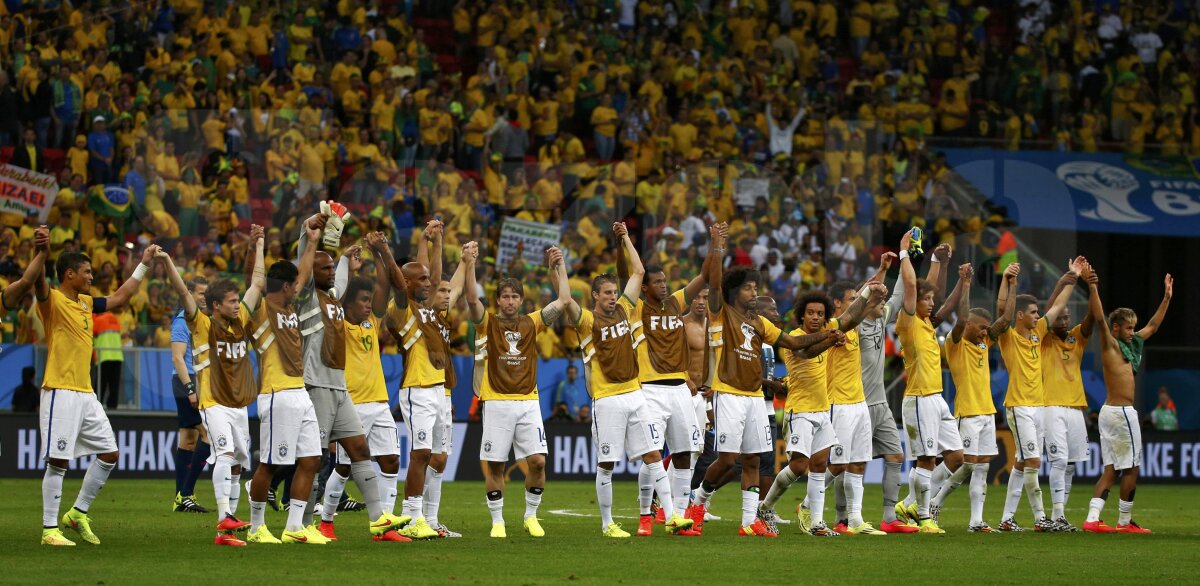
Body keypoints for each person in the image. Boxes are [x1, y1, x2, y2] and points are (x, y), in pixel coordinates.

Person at [688, 225, 835, 537]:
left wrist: (827, 334)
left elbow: (794, 345)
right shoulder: (721, 312)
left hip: (754, 397)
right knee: (728, 459)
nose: (754, 292)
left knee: (753, 459)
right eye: (748, 288)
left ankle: (748, 522)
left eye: (755, 288)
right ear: (734, 292)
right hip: (728, 393)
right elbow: (714, 283)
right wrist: (716, 247)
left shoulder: (760, 323)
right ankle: (698, 502)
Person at [27, 226, 160, 546]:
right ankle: (49, 530)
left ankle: (76, 513)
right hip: (59, 390)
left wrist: (143, 264)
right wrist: (41, 251)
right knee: (59, 461)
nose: (91, 276)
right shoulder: (52, 301)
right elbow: (37, 281)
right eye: (86, 272)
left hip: (86, 393)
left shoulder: (87, 304)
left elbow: (121, 296)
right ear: (69, 274)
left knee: (110, 453)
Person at [577, 222, 693, 538]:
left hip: (635, 393)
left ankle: (670, 516)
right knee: (607, 463)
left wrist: (626, 237)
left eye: (615, 291)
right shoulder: (587, 321)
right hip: (605, 398)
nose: (613, 297)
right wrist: (559, 268)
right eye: (607, 293)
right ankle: (607, 523)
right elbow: (566, 301)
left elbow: (638, 272)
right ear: (595, 296)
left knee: (653, 454)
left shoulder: (628, 310)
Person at [295, 214, 406, 542]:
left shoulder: (331, 300)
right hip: (317, 385)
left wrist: (344, 258)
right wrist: (309, 237)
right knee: (313, 460)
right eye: (324, 269)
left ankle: (379, 521)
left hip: (339, 388)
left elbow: (342, 281)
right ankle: (302, 525)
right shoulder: (307, 298)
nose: (331, 273)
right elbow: (307, 269)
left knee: (359, 450)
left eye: (332, 269)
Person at [159, 227, 264, 546]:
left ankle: (231, 520)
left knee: (239, 461)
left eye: (237, 300)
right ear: (216, 305)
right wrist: (166, 262)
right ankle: (223, 522)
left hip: (238, 403)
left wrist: (259, 244)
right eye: (232, 301)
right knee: (225, 453)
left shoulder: (241, 320)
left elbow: (258, 282)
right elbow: (183, 293)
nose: (237, 305)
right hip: (213, 401)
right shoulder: (202, 325)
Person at [466, 243, 574, 538]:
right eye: (505, 297)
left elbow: (564, 300)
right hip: (497, 402)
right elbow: (471, 299)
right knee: (496, 466)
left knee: (538, 461)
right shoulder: (487, 324)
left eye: (515, 296)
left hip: (528, 402)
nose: (510, 301)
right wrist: (470, 262)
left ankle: (531, 516)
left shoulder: (533, 322)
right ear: (498, 301)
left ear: (522, 300)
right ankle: (497, 521)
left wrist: (558, 265)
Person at [626, 218, 717, 537]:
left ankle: (678, 517)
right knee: (652, 456)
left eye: (666, 280)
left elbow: (705, 276)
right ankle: (645, 516)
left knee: (683, 455)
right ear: (646, 287)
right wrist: (626, 238)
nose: (664, 285)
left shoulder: (675, 304)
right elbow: (635, 273)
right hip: (650, 391)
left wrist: (714, 244)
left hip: (680, 390)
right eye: (658, 282)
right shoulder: (637, 309)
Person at [245, 217, 328, 545]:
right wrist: (257, 245)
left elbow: (303, 271)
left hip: (299, 392)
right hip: (277, 393)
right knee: (269, 463)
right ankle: (256, 527)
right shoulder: (262, 310)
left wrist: (311, 241)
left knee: (311, 459)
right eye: (294, 284)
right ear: (284, 286)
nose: (300, 286)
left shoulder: (290, 307)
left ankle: (294, 527)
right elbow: (254, 278)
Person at [326, 234, 412, 542]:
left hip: (379, 402)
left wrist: (378, 253)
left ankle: (384, 526)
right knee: (346, 468)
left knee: (390, 461)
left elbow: (383, 287)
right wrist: (346, 266)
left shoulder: (369, 324)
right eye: (362, 301)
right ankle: (325, 521)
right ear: (349, 303)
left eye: (368, 301)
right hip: (353, 404)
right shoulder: (339, 322)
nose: (368, 305)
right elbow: (336, 296)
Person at [994, 258, 1080, 532]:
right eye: (1032, 312)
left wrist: (1073, 278)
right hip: (1019, 406)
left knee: (1022, 462)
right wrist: (1007, 281)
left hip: (1038, 406)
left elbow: (1056, 308)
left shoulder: (1037, 333)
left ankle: (1007, 518)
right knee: (1033, 461)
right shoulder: (1008, 335)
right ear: (1020, 315)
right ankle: (1041, 518)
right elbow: (1001, 310)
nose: (1036, 316)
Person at [1083, 271, 1173, 534]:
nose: (1134, 331)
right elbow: (1099, 318)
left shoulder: (1133, 345)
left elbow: (1154, 326)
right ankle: (1124, 523)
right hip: (1121, 413)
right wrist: (1092, 287)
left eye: (1135, 326)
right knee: (1132, 468)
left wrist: (1166, 297)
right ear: (1116, 328)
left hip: (1110, 413)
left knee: (1111, 469)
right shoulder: (1111, 344)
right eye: (1129, 327)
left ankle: (1092, 518)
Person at [757, 290, 846, 537]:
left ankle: (816, 522)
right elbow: (807, 353)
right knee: (798, 465)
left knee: (819, 465)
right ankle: (765, 507)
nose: (815, 317)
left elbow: (850, 318)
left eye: (820, 313)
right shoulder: (794, 338)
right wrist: (831, 339)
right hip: (800, 410)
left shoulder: (823, 336)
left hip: (821, 410)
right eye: (810, 313)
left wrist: (871, 290)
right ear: (801, 316)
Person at [385, 221, 454, 540]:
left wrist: (435, 241)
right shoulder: (401, 308)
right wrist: (386, 252)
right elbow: (400, 284)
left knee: (438, 458)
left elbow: (436, 274)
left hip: (439, 390)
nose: (430, 283)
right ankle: (412, 516)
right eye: (422, 279)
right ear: (408, 283)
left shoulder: (427, 309)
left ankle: (430, 518)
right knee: (421, 453)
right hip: (417, 391)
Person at [894, 228, 963, 534]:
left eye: (933, 300)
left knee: (957, 456)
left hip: (935, 397)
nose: (932, 303)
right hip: (919, 398)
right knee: (926, 459)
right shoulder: (908, 321)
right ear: (914, 302)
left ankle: (909, 501)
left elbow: (930, 287)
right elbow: (912, 284)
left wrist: (938, 261)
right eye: (927, 300)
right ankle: (923, 517)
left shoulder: (925, 322)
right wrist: (904, 250)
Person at [812, 278, 888, 535]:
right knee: (837, 465)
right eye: (850, 299)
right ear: (837, 303)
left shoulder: (854, 327)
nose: (856, 303)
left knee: (858, 463)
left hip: (859, 403)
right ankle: (809, 508)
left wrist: (882, 273)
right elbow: (862, 305)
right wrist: (871, 289)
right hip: (839, 403)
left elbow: (867, 302)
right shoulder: (832, 327)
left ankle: (855, 519)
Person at [936, 263, 1005, 532]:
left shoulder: (983, 344)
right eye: (982, 327)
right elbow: (962, 319)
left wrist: (1009, 283)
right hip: (967, 412)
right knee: (964, 465)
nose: (985, 332)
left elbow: (1004, 321)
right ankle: (933, 501)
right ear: (970, 326)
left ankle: (976, 521)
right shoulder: (956, 344)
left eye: (987, 329)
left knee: (982, 469)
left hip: (987, 412)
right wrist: (965, 284)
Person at [855, 251, 918, 534]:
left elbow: (899, 293)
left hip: (880, 405)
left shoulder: (881, 320)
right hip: (857, 406)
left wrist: (905, 258)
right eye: (878, 300)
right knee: (848, 464)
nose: (885, 303)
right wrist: (878, 273)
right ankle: (816, 506)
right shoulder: (853, 326)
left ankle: (889, 517)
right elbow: (859, 301)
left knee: (895, 457)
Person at [1040, 266, 1099, 531]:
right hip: (1051, 406)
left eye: (1067, 317)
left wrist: (1092, 285)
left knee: (1072, 464)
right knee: (1059, 461)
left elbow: (1093, 318)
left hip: (1076, 408)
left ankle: (1059, 516)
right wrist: (1070, 279)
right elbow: (1051, 309)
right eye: (1060, 318)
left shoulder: (1077, 337)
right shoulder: (1043, 339)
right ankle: (1058, 514)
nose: (1063, 321)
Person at [170, 277, 211, 514]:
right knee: (208, 434)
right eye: (200, 293)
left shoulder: (199, 320)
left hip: (191, 382)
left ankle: (180, 498)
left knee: (187, 438)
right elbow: (178, 357)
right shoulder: (181, 321)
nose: (204, 297)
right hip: (186, 383)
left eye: (207, 293)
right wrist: (190, 389)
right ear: (189, 294)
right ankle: (186, 493)